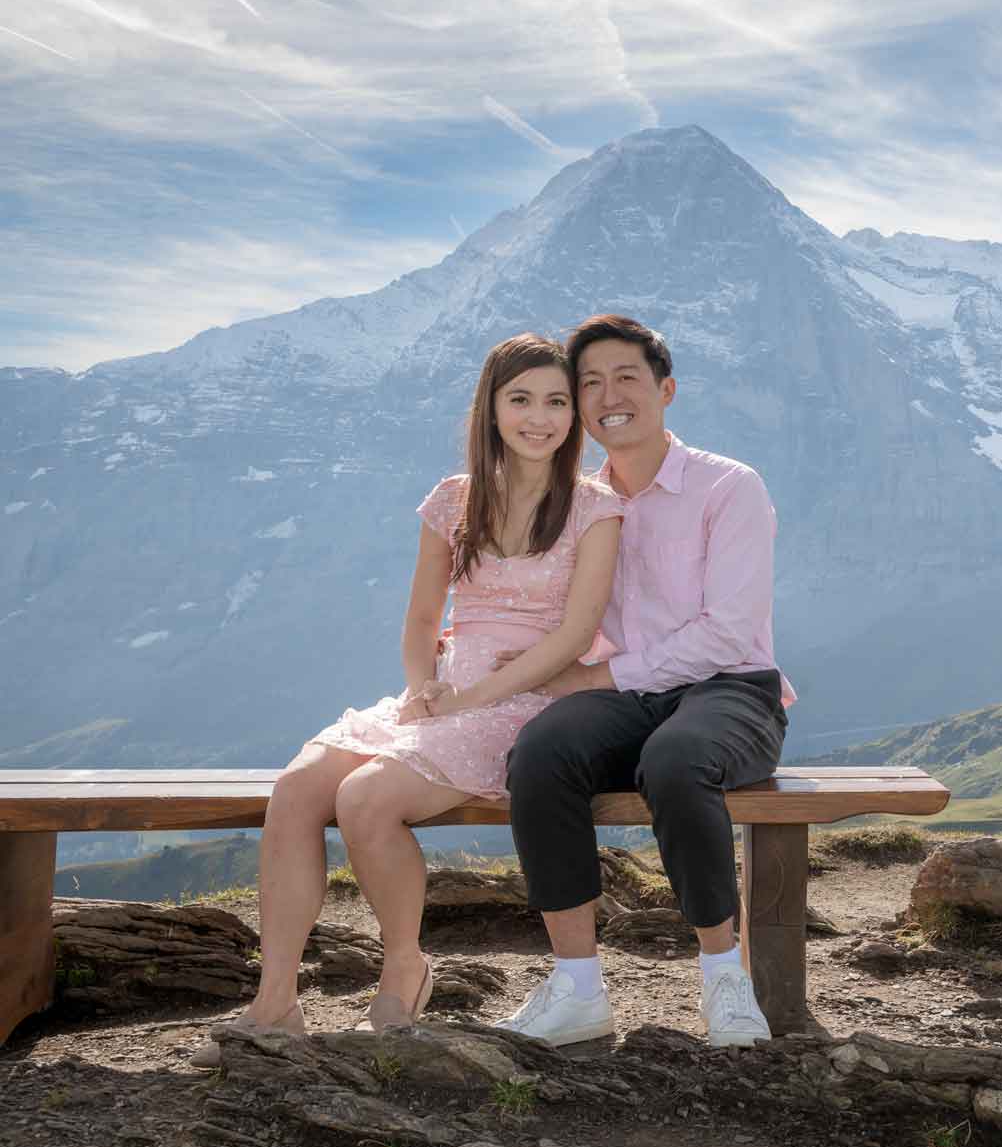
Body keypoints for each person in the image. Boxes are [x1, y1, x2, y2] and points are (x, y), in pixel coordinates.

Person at [191, 334, 623, 1067]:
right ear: (490, 407)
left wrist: (474, 697)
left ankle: (403, 971)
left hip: (528, 698)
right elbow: (423, 618)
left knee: (364, 798)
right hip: (446, 691)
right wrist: (426, 684)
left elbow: (577, 631)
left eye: (556, 402)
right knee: (297, 788)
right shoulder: (454, 498)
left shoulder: (593, 507)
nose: (539, 418)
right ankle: (275, 1006)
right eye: (521, 399)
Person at [490, 313, 795, 1050]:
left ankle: (725, 975)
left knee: (676, 759)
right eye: (588, 383)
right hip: (630, 696)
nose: (607, 395)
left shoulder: (729, 487)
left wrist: (599, 674)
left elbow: (727, 630)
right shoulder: (583, 502)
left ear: (666, 390)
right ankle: (577, 987)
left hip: (733, 690)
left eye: (626, 377)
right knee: (539, 751)